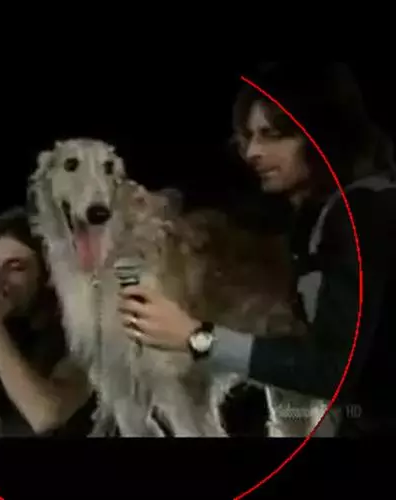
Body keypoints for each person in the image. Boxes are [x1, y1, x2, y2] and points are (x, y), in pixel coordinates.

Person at [118, 62, 396, 437]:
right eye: (248, 137)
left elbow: (335, 370)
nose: (252, 152)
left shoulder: (360, 212)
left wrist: (196, 337)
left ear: (322, 133)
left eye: (271, 135)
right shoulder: (318, 216)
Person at [0, 207, 95, 437]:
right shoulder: (0, 329)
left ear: (48, 274)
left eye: (16, 268)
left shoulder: (81, 333)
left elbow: (46, 415)